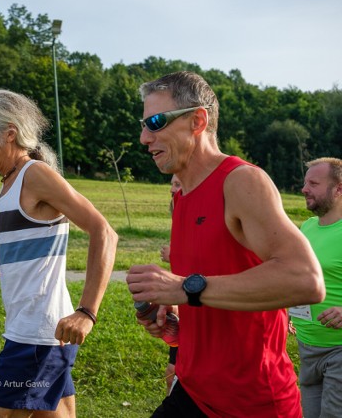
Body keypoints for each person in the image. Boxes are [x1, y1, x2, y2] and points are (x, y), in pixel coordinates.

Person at [125, 71, 325, 417]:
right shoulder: (183, 197)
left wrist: (186, 288)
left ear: (197, 121)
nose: (144, 137)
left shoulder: (241, 181)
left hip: (253, 404)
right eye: (144, 125)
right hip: (194, 392)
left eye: (155, 123)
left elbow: (305, 280)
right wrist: (176, 323)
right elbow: (211, 291)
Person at [0, 89, 118, 417]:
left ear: (10, 132)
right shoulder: (9, 183)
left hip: (36, 338)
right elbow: (23, 255)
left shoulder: (34, 175)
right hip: (39, 334)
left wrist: (87, 312)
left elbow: (104, 232)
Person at [290, 157, 342, 418]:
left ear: (339, 189)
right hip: (307, 347)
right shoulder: (308, 228)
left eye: (313, 183)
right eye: (305, 182)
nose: (304, 188)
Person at [158, 174, 181, 394]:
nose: (172, 190)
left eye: (177, 184)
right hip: (180, 311)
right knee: (172, 369)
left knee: (176, 369)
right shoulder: (178, 218)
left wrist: (174, 255)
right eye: (172, 184)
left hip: (196, 310)